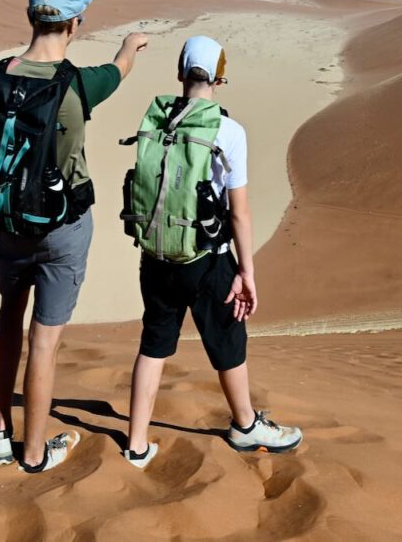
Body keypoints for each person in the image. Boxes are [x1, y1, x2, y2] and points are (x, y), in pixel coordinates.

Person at [0, 0, 148, 473]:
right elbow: (120, 69)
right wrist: (130, 44)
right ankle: (34, 452)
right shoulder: (78, 82)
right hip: (63, 226)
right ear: (72, 24)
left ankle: (1, 429)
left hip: (7, 223)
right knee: (44, 340)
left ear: (32, 17)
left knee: (10, 318)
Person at [123, 36, 302, 468]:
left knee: (155, 342)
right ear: (220, 75)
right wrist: (247, 272)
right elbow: (239, 212)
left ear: (180, 73)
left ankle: (136, 443)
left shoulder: (158, 120)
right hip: (207, 257)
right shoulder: (229, 131)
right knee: (227, 338)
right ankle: (244, 426)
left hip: (155, 255)